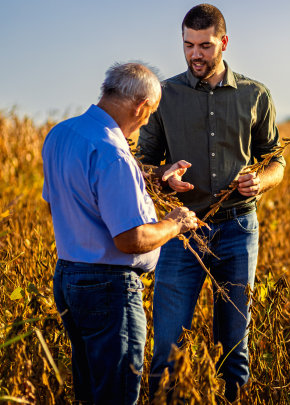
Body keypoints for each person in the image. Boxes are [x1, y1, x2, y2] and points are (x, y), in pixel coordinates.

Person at [137, 3, 285, 402]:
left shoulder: (255, 94)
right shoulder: (163, 95)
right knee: (167, 349)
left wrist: (262, 180)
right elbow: (142, 163)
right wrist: (163, 175)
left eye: (204, 45)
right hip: (182, 231)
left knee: (234, 349)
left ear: (223, 42)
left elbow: (277, 161)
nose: (194, 55)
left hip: (238, 229)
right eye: (188, 45)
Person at [42, 62, 199, 404]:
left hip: (68, 278)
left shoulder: (62, 134)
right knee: (116, 394)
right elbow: (130, 240)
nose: (146, 122)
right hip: (109, 290)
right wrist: (176, 223)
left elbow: (59, 201)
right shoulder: (114, 153)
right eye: (150, 113)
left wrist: (154, 177)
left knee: (90, 391)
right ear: (141, 106)